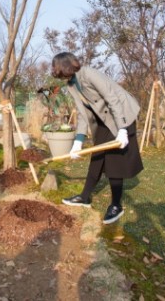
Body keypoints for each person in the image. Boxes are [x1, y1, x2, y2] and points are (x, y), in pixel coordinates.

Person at [51, 52, 143, 224]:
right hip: (104, 119)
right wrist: (78, 141)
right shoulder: (71, 84)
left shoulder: (89, 74)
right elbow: (82, 113)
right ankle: (84, 197)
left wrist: (122, 129)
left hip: (122, 114)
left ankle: (116, 205)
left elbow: (112, 99)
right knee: (97, 157)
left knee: (114, 160)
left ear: (64, 66)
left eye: (55, 67)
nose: (54, 71)